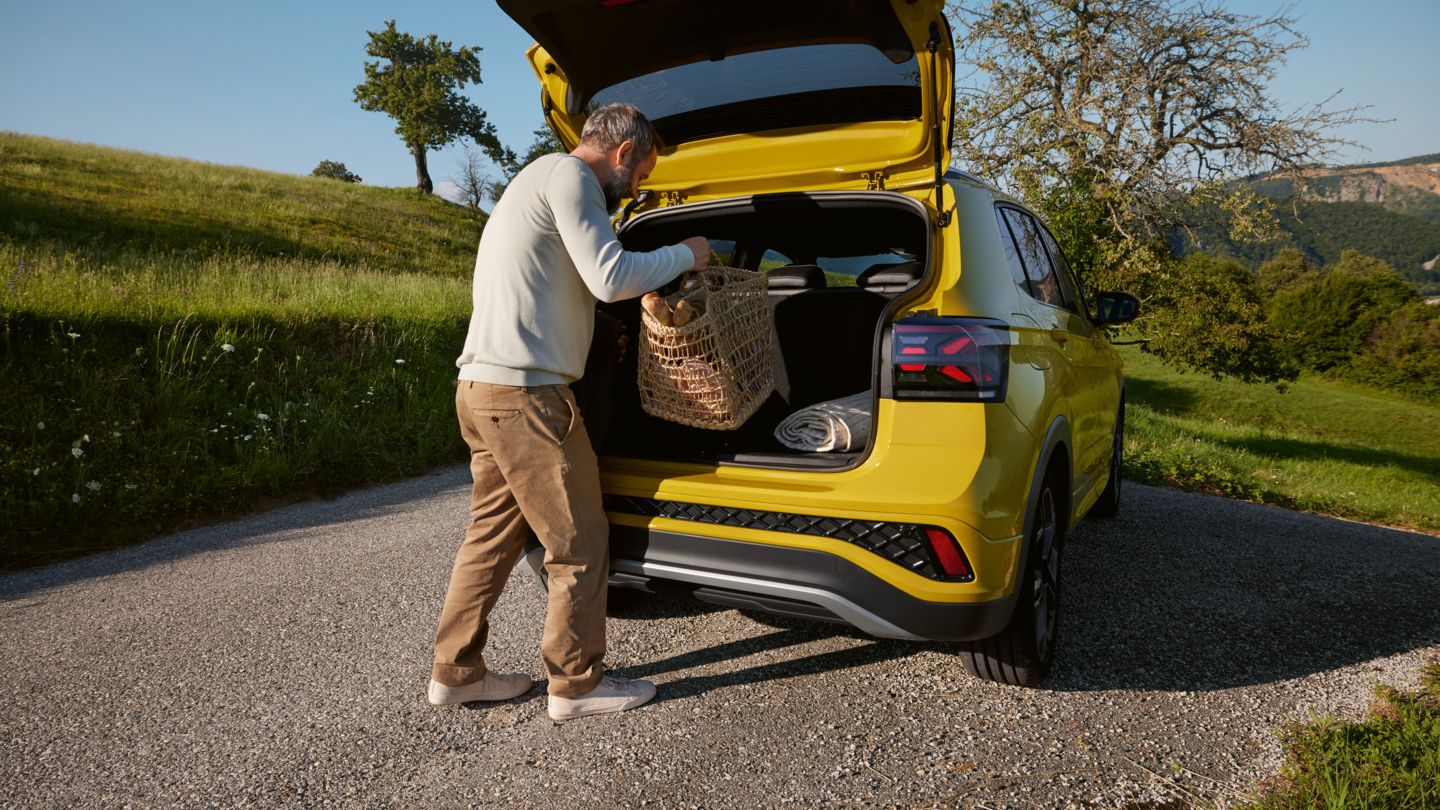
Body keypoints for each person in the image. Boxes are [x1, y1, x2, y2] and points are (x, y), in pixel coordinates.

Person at [428, 103, 710, 722]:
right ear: (623, 154)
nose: (635, 188)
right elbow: (610, 277)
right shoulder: (572, 178)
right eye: (640, 175)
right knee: (579, 540)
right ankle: (576, 685)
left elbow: (567, 284)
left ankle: (456, 673)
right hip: (526, 397)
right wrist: (687, 254)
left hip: (480, 387)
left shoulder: (534, 180)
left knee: (492, 537)